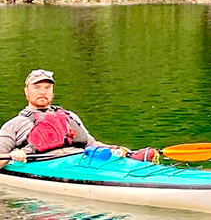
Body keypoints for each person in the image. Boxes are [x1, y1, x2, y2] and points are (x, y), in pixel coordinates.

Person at [0, 70, 129, 167]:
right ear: (26, 92)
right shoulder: (14, 124)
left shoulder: (69, 116)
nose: (42, 92)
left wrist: (114, 148)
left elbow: (91, 144)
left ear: (52, 92)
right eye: (36, 87)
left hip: (82, 160)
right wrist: (13, 155)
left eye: (47, 88)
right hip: (46, 165)